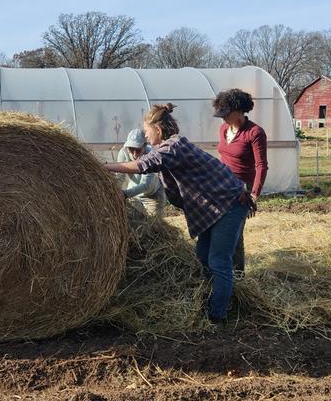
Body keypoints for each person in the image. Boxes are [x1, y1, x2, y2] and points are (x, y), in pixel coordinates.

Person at [104, 103, 253, 324]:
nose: (145, 136)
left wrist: (104, 167)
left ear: (159, 129)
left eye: (147, 131)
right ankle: (212, 298)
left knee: (218, 260)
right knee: (203, 255)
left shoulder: (174, 147)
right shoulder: (169, 147)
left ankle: (218, 315)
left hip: (228, 204)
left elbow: (145, 165)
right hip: (214, 207)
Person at [213, 89, 268, 276]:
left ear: (238, 111)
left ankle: (238, 277)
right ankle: (221, 272)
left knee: (235, 235)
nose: (223, 119)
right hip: (221, 189)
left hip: (240, 192)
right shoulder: (223, 129)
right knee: (220, 232)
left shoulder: (254, 132)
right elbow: (223, 157)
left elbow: (261, 165)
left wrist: (254, 194)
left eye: (226, 114)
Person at [116, 128, 165, 217]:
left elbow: (146, 185)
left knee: (155, 226)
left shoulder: (151, 154)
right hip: (133, 193)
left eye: (138, 150)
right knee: (135, 222)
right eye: (131, 149)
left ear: (145, 145)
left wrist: (125, 194)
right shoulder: (123, 153)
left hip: (152, 195)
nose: (134, 154)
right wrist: (115, 191)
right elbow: (120, 176)